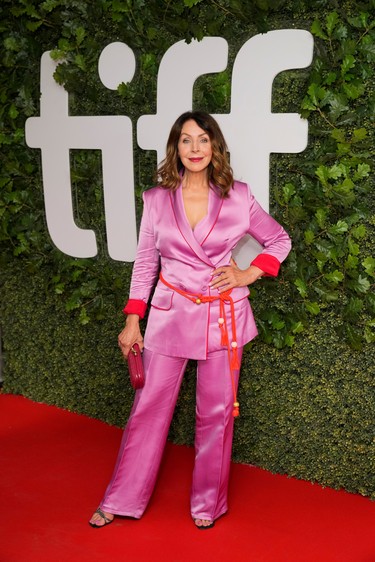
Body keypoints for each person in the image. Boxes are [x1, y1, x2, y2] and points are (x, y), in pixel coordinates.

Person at [89, 110, 291, 530]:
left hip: (223, 316)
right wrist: (132, 319)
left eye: (203, 139)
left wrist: (247, 272)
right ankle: (120, 499)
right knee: (147, 410)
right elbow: (146, 261)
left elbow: (278, 239)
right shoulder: (156, 199)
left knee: (216, 414)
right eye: (186, 140)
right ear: (175, 148)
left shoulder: (239, 196)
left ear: (215, 146)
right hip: (169, 314)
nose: (195, 148)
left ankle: (207, 504)